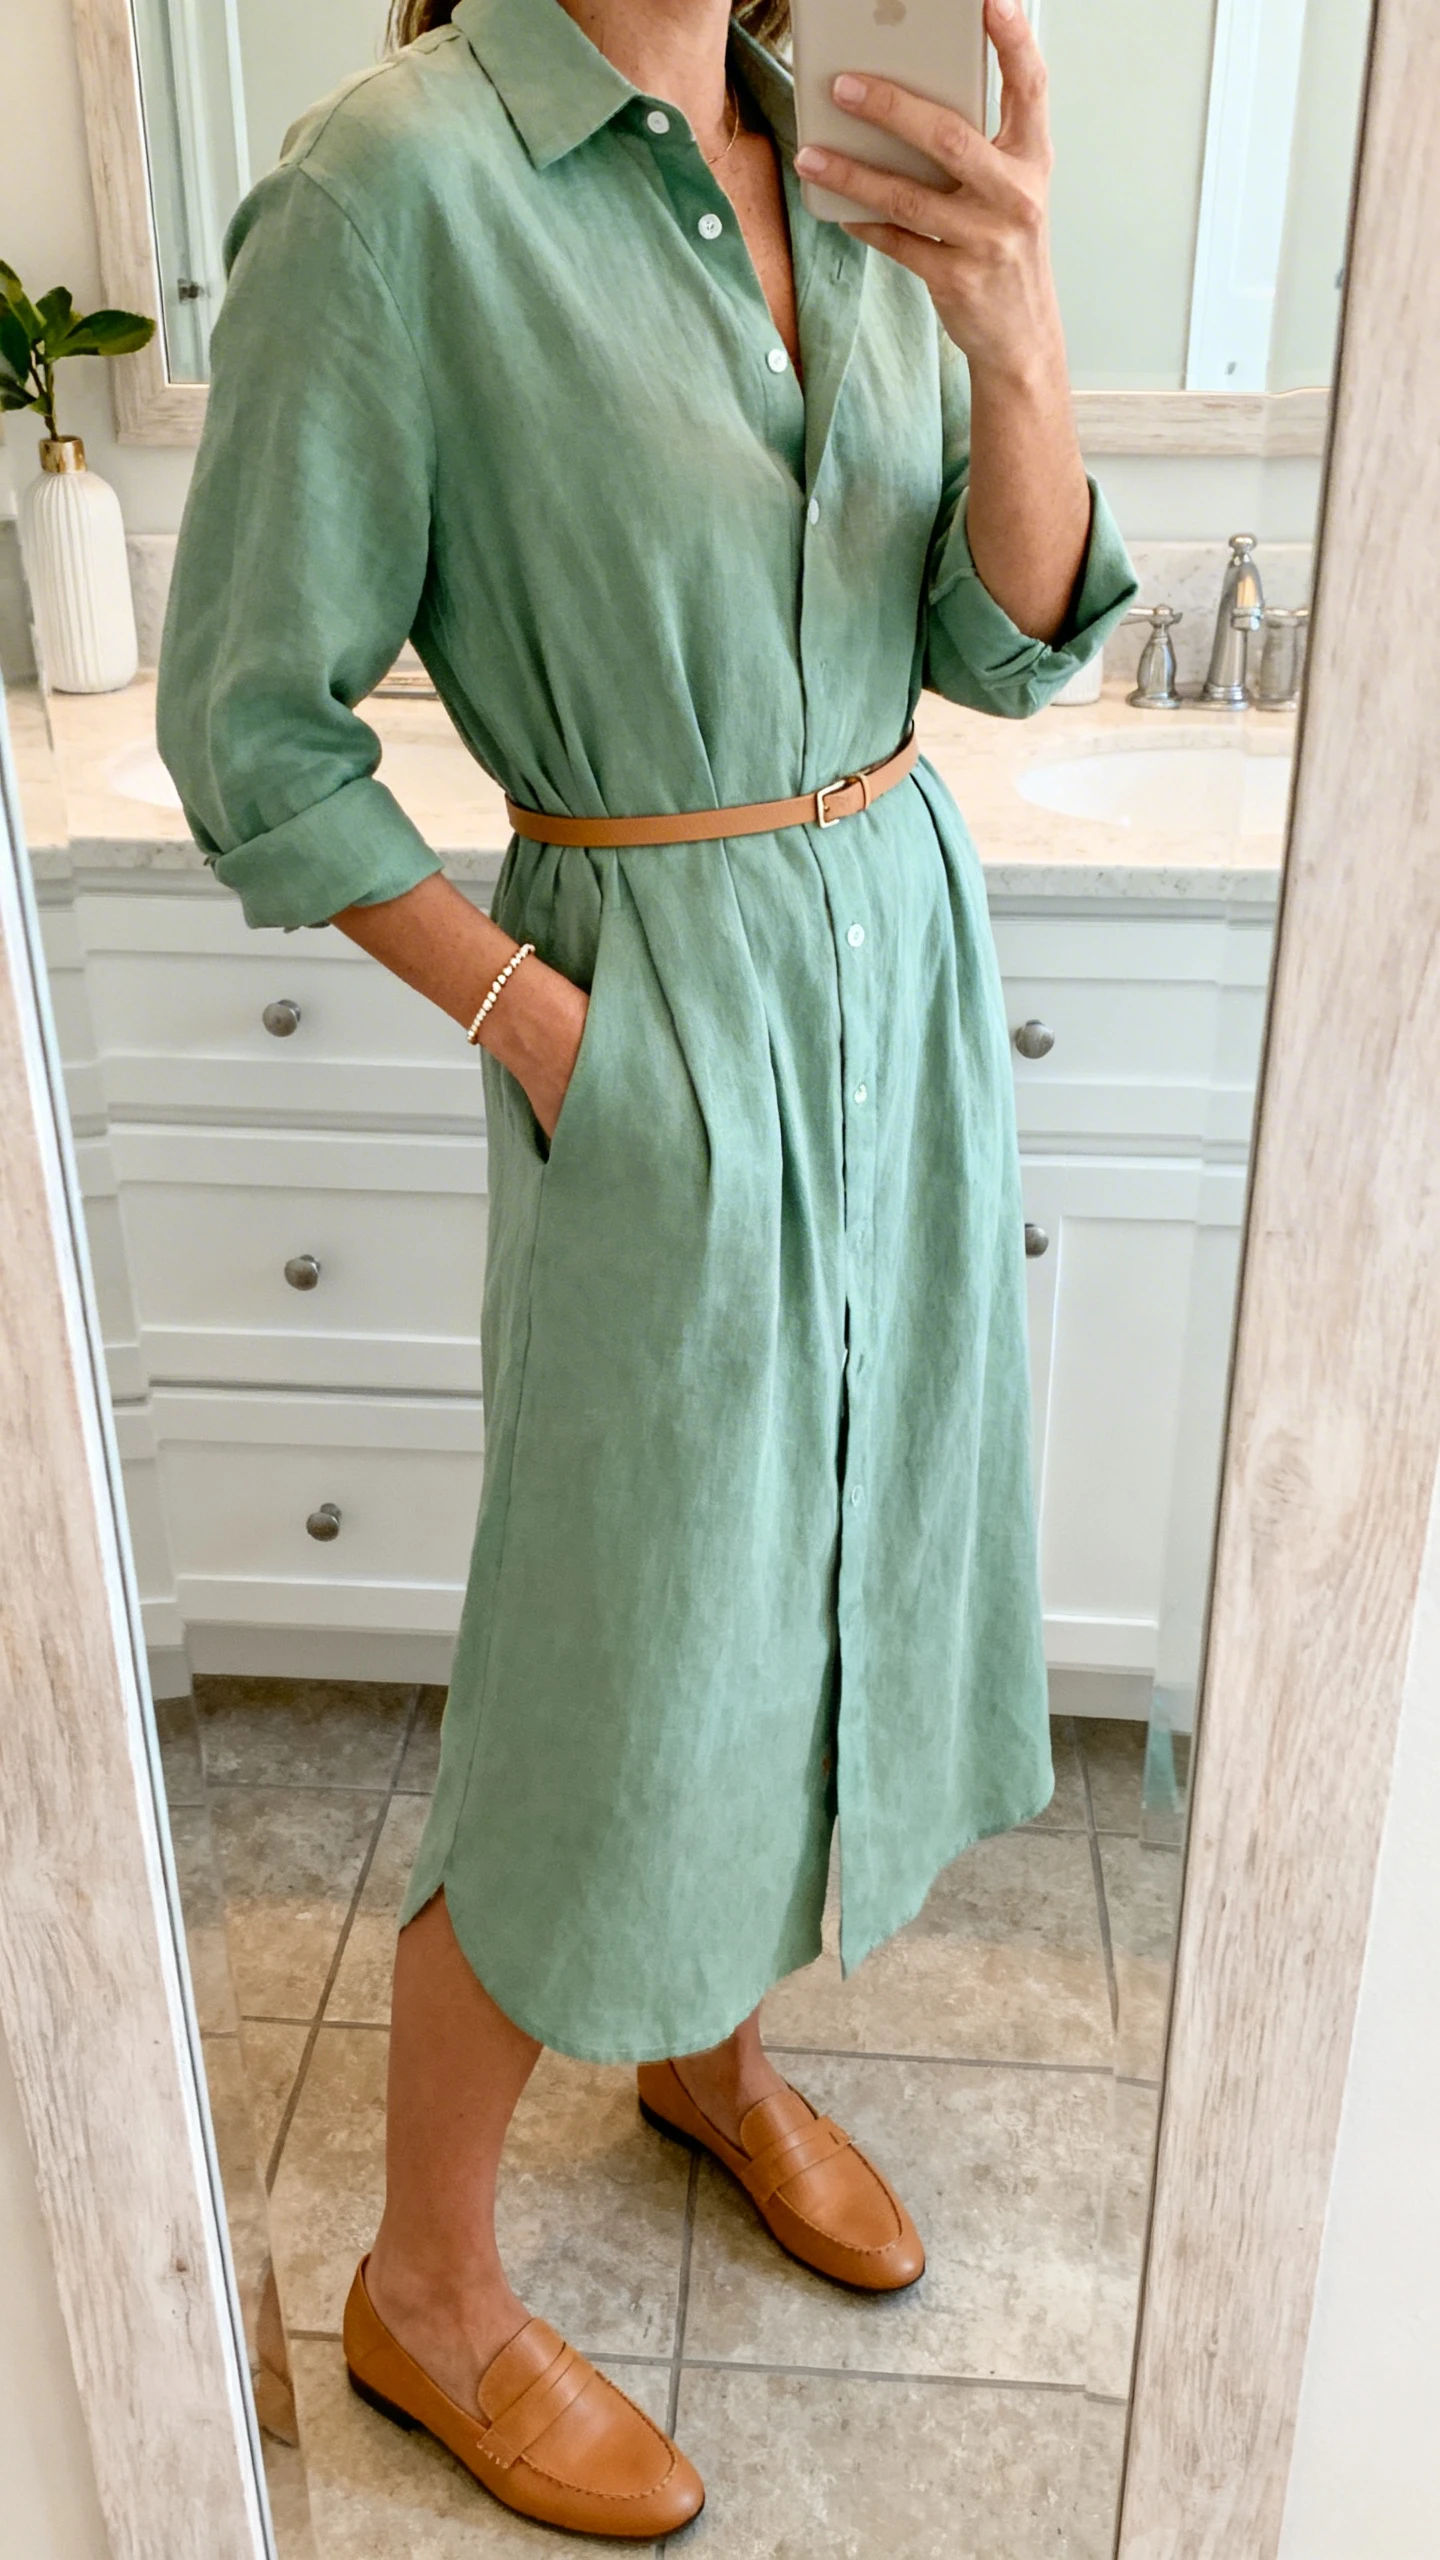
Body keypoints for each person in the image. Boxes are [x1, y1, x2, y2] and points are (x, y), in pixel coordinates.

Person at [157, 0, 1137, 2533]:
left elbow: (1005, 639)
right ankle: (430, 2291)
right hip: (657, 998)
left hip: (891, 964)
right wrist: (549, 1024)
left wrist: (1020, 336)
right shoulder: (396, 190)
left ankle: (703, 2042)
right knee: (611, 1645)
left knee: (830, 1562)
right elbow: (252, 725)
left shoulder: (848, 158)